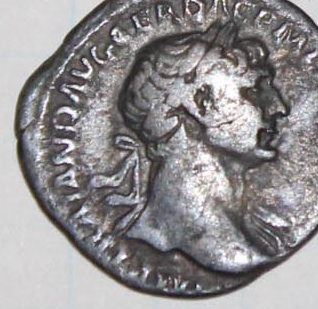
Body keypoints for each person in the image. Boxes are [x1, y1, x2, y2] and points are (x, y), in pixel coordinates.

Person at [100, 22, 291, 274]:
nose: (279, 108)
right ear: (201, 105)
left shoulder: (247, 238)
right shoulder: (231, 254)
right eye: (255, 91)